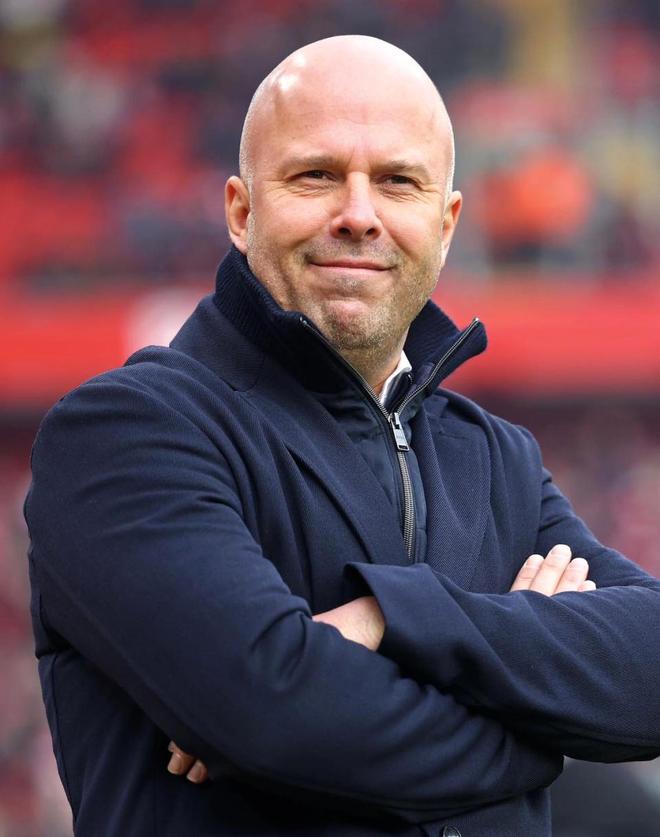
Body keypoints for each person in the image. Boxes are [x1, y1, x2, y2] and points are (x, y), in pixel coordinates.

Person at [25, 36, 660, 837]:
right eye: (317, 175)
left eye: (397, 181)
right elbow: (268, 711)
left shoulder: (495, 458)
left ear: (446, 223)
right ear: (242, 212)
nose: (359, 214)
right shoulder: (125, 434)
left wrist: (388, 619)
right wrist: (538, 731)